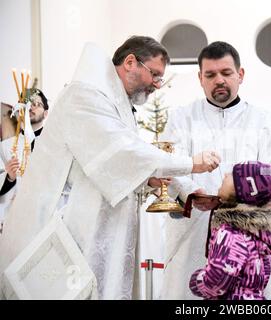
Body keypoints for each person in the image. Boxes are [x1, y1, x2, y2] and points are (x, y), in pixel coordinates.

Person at [0, 36, 220, 299]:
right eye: (155, 75)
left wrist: (169, 188)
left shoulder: (118, 104)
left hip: (99, 228)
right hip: (67, 230)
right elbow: (123, 151)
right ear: (130, 62)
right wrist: (191, 163)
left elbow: (116, 165)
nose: (157, 85)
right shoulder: (83, 96)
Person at [160, 41, 271, 299]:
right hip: (193, 233)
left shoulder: (266, 123)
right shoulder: (181, 118)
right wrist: (191, 191)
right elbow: (171, 161)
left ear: (240, 75)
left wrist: (234, 200)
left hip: (248, 240)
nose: (218, 80)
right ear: (200, 78)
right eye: (210, 75)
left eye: (226, 73)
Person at [189, 161, 271, 300]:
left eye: (232, 174)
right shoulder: (257, 233)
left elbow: (217, 281)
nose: (226, 174)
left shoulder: (231, 233)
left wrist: (196, 281)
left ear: (244, 191)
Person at [0, 89, 50, 227]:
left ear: (46, 113)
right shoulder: (5, 147)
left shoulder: (53, 144)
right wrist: (9, 178)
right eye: (27, 103)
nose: (31, 107)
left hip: (45, 219)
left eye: (37, 104)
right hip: (13, 222)